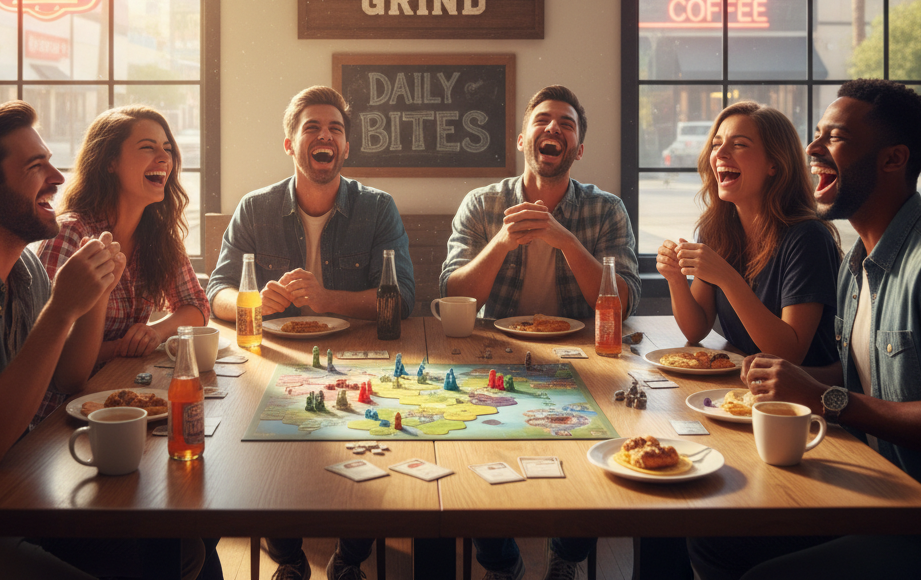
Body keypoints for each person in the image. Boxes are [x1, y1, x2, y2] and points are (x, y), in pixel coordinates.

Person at [688, 79, 921, 580]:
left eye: (837, 137)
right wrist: (788, 379)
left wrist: (826, 398)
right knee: (705, 531)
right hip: (865, 483)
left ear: (893, 159)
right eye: (818, 133)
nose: (811, 147)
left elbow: (842, 397)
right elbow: (856, 377)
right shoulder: (856, 264)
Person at [206, 85, 415, 580]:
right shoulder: (254, 208)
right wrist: (252, 302)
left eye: (335, 129)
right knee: (266, 446)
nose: (325, 137)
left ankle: (349, 559)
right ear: (289, 143)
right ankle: (290, 560)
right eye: (312, 128)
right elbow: (216, 292)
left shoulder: (378, 208)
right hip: (273, 360)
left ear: (346, 147)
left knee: (371, 440)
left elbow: (402, 298)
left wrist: (329, 299)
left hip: (359, 359)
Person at [440, 85, 640, 580]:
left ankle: (566, 556)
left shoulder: (606, 209)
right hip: (494, 356)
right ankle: (501, 562)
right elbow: (452, 296)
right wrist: (502, 242)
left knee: (598, 451)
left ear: (578, 148)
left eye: (566, 124)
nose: (554, 128)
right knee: (475, 448)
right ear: (522, 139)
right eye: (543, 120)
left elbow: (625, 300)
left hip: (586, 364)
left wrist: (566, 240)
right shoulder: (482, 203)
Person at [0, 102, 125, 579]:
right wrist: (62, 310)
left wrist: (96, 292)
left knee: (176, 548)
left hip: (18, 499)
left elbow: (69, 378)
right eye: (36, 167)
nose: (58, 177)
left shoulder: (26, 268)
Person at [35, 106, 210, 425]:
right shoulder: (71, 233)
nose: (164, 158)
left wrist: (155, 332)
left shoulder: (158, 234)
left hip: (122, 397)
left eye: (167, 149)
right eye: (148, 147)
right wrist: (120, 347)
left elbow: (197, 305)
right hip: (60, 416)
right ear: (109, 162)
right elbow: (45, 351)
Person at [656, 102, 840, 366]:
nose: (720, 153)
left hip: (803, 390)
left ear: (774, 164)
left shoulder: (808, 238)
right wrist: (675, 278)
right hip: (744, 382)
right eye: (716, 144)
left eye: (739, 144)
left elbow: (789, 354)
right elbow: (696, 330)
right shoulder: (715, 230)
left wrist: (727, 277)